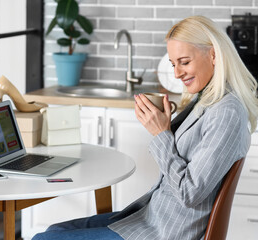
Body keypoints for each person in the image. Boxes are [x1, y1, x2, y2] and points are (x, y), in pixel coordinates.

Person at [32, 15, 258, 240]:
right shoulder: (207, 100)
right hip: (150, 218)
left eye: (184, 62)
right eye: (173, 64)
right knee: (54, 232)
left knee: (43, 239)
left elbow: (190, 192)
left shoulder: (227, 113)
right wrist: (167, 125)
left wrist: (161, 133)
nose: (177, 73)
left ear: (213, 55)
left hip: (166, 232)